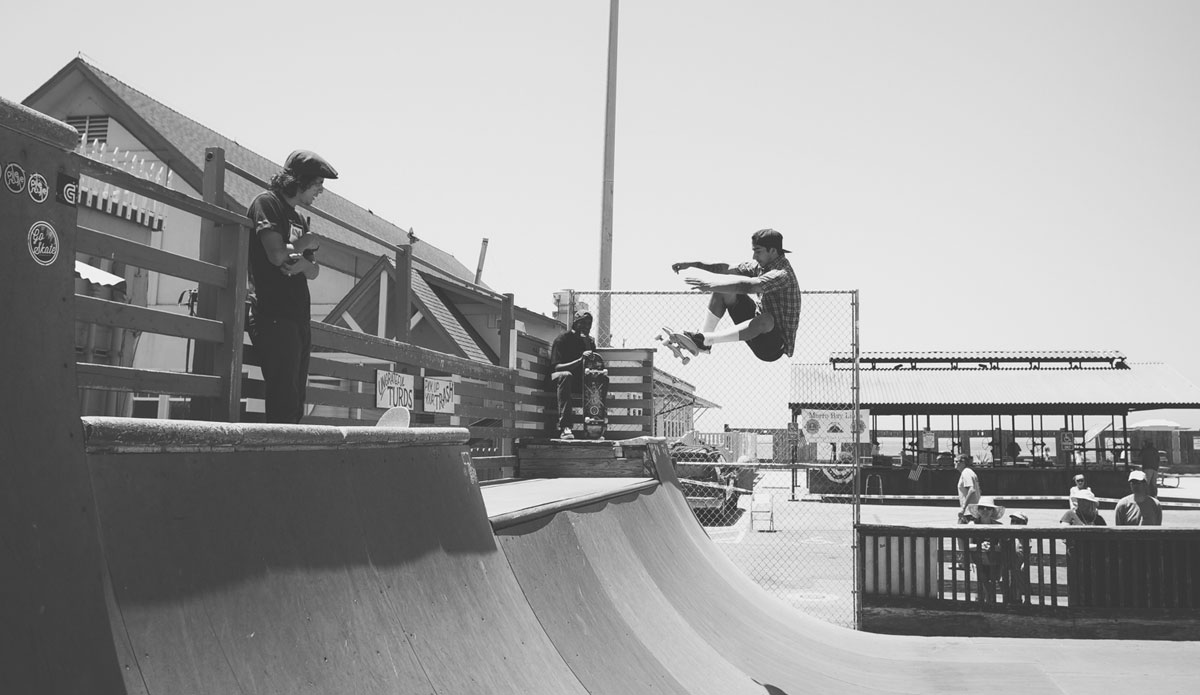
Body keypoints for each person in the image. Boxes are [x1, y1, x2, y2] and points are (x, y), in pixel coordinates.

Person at [246, 149, 336, 423]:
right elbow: (275, 255)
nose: (320, 191)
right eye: (318, 184)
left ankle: (288, 446)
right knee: (283, 397)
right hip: (273, 315)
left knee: (296, 400)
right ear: (301, 180)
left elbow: (314, 271)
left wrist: (303, 264)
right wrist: (306, 242)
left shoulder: (297, 217)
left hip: (298, 319)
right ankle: (278, 449)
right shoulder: (267, 203)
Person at [669, 228, 801, 362]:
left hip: (773, 347)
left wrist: (710, 285)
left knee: (767, 319)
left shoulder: (782, 274)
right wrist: (692, 264)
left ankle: (707, 339)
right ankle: (702, 342)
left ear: (773, 251)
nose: (754, 257)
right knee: (724, 290)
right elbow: (725, 268)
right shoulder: (760, 266)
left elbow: (749, 286)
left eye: (758, 251)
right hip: (755, 328)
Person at [548, 311, 604, 439]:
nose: (586, 326)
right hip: (559, 381)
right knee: (566, 375)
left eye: (589, 324)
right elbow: (556, 367)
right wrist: (580, 360)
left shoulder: (589, 342)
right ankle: (565, 427)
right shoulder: (563, 339)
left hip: (579, 383)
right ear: (575, 323)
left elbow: (593, 366)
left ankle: (594, 429)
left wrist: (588, 346)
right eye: (583, 323)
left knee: (600, 379)